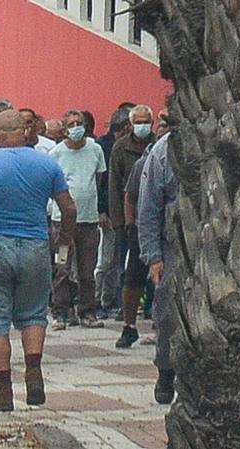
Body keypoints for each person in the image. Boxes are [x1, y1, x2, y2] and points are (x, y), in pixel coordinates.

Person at [0, 109, 76, 411]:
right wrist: (63, 241)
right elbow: (68, 209)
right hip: (34, 245)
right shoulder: (47, 164)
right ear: (25, 132)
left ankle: (3, 389)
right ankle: (33, 373)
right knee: (33, 315)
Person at [49, 108, 109, 328]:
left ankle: (87, 311)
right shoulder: (56, 153)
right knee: (62, 267)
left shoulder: (96, 149)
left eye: (80, 123)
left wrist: (99, 208)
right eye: (72, 124)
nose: (77, 128)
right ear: (65, 129)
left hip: (89, 221)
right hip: (62, 222)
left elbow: (100, 180)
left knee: (87, 270)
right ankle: (60, 313)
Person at [135, 121, 180, 406]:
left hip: (220, 244)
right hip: (172, 247)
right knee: (166, 314)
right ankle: (166, 372)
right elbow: (148, 207)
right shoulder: (163, 152)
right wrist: (153, 256)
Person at [109, 103, 157, 348]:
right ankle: (129, 325)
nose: (142, 126)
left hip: (160, 224)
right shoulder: (122, 149)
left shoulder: (159, 147)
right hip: (136, 224)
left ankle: (158, 320)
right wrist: (124, 223)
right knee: (132, 275)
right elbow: (120, 190)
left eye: (146, 121)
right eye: (138, 122)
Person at [95, 106, 132, 312]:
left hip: (129, 213)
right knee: (105, 259)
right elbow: (103, 182)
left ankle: (114, 299)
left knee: (121, 260)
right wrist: (102, 210)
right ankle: (98, 298)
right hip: (109, 213)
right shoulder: (104, 146)